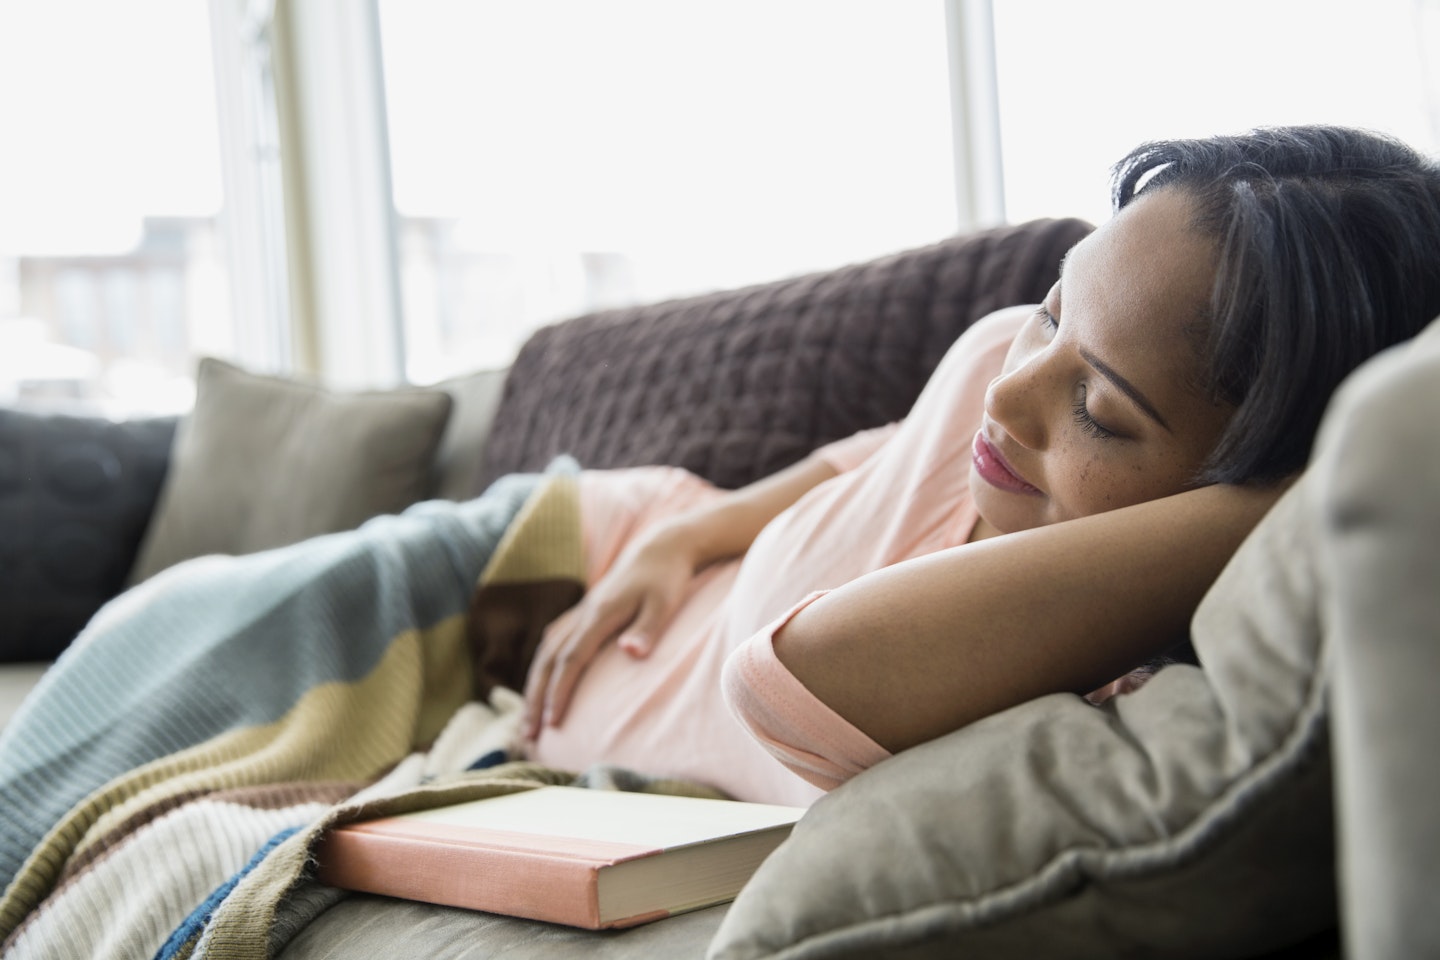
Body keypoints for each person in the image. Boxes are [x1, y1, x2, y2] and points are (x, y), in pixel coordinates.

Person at [521, 125, 1440, 807]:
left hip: (529, 688)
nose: (1004, 396)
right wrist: (682, 537)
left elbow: (794, 674)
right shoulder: (998, 362)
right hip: (597, 534)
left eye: (1100, 410)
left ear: (1247, 491)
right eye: (1053, 309)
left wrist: (1338, 480)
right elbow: (863, 460)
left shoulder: (1098, 675)